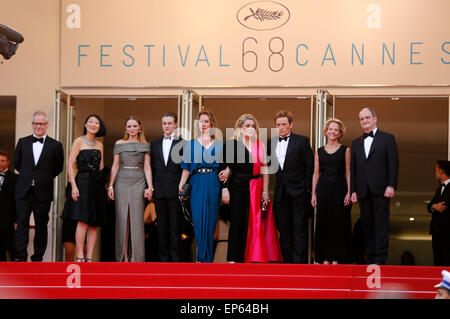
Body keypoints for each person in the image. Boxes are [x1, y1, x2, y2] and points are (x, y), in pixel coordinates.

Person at [224, 113, 282, 263]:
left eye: (253, 126)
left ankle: (254, 256)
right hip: (237, 186)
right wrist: (226, 184)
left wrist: (265, 191)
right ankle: (234, 258)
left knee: (255, 221)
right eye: (247, 126)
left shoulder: (260, 145)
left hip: (256, 186)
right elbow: (229, 166)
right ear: (240, 128)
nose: (250, 128)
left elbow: (265, 170)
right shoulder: (233, 144)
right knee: (237, 220)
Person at [350, 107, 399, 265]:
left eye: (367, 117)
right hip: (363, 190)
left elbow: (393, 164)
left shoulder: (387, 138)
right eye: (361, 118)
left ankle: (380, 259)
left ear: (375, 119)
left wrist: (391, 185)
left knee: (381, 225)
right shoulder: (356, 143)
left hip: (381, 189)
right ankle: (370, 258)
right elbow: (354, 169)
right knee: (367, 225)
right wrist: (354, 190)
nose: (364, 121)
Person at [14, 111, 64, 262]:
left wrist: (43, 178)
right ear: (32, 124)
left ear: (47, 125)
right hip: (23, 190)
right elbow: (17, 164)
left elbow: (58, 167)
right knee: (22, 223)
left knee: (41, 225)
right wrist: (29, 178)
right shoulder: (22, 142)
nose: (38, 126)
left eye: (41, 123)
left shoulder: (55, 145)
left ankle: (38, 257)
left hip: (43, 191)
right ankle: (21, 256)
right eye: (36, 123)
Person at [178, 109, 227, 263]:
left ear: (211, 124)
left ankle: (208, 260)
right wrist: (181, 185)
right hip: (197, 182)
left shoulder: (219, 145)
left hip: (213, 182)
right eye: (201, 121)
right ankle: (201, 258)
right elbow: (186, 168)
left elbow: (226, 166)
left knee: (211, 220)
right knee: (198, 220)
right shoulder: (190, 144)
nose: (203, 124)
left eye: (206, 121)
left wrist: (227, 171)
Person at [269, 110, 314, 264]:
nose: (281, 127)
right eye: (278, 125)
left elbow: (310, 165)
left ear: (291, 125)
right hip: (280, 192)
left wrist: (306, 188)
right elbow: (264, 166)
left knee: (299, 228)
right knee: (284, 228)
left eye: (284, 124)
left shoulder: (302, 141)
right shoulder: (271, 142)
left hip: (299, 192)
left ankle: (299, 264)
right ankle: (287, 262)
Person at [62, 114, 108, 262]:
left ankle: (89, 257)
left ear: (99, 127)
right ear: (86, 124)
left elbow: (101, 167)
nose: (93, 124)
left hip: (97, 185)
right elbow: (70, 164)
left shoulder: (100, 145)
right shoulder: (78, 141)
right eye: (91, 122)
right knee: (82, 220)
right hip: (81, 182)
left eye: (96, 123)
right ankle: (80, 255)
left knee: (95, 223)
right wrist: (73, 186)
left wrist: (105, 188)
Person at [108, 116, 153, 262]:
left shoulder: (146, 145)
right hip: (121, 180)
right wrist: (110, 185)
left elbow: (147, 167)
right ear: (126, 128)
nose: (132, 129)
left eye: (134, 126)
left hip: (139, 180)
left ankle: (136, 257)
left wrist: (150, 187)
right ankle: (123, 256)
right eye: (129, 126)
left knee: (136, 218)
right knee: (122, 217)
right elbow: (115, 165)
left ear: (140, 127)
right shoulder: (119, 143)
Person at [311, 118, 352, 264]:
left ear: (340, 133)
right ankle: (324, 258)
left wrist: (349, 191)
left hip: (340, 189)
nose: (333, 132)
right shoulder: (319, 151)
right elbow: (316, 174)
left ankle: (337, 258)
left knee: (338, 223)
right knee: (324, 223)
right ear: (326, 132)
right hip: (323, 190)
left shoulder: (345, 150)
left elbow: (348, 172)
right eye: (331, 129)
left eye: (336, 130)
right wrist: (313, 194)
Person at [150, 112, 186, 262]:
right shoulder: (154, 144)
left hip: (175, 190)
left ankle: (175, 258)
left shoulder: (183, 143)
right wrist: (150, 188)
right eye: (164, 123)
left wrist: (182, 187)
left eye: (170, 123)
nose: (167, 126)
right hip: (159, 191)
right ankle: (163, 259)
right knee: (161, 227)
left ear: (175, 125)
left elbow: (185, 167)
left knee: (175, 227)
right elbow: (151, 168)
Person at [427, 160, 450, 266]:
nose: (435, 173)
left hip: (447, 232)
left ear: (441, 171)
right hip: (437, 232)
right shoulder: (439, 189)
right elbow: (429, 205)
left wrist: (434, 206)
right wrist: (434, 206)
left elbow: (445, 206)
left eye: (436, 170)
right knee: (438, 262)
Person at [0, 150, 18, 261]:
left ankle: (18, 277)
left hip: (10, 222)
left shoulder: (16, 179)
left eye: (2, 161)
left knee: (14, 252)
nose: (0, 163)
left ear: (8, 162)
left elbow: (18, 201)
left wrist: (17, 220)